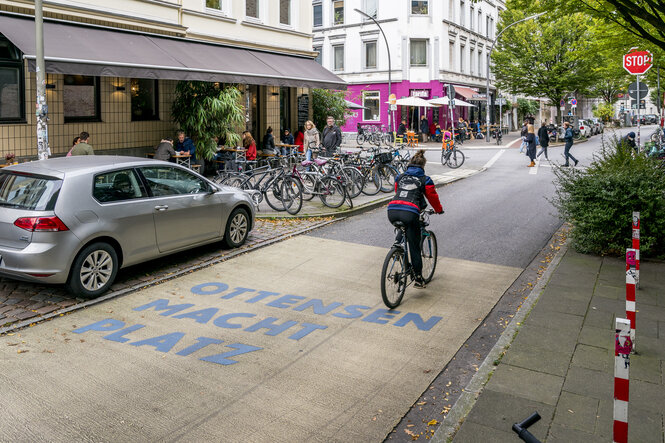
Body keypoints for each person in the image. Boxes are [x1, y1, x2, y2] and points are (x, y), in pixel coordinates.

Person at [387, 150, 443, 288]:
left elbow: (398, 192)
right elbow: (432, 197)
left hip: (392, 210)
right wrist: (438, 210)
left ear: (409, 165)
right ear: (423, 166)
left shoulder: (400, 177)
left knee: (403, 226)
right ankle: (418, 279)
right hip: (410, 213)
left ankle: (396, 245)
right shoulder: (425, 179)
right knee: (414, 247)